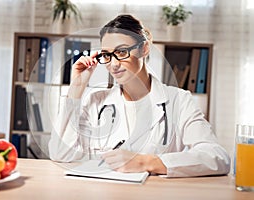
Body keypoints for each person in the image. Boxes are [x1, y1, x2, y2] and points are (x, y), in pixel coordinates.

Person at [48, 14, 230, 177]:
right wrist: (76, 88)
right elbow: (60, 153)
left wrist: (147, 162)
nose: (113, 64)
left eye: (121, 52)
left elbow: (217, 157)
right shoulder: (96, 101)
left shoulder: (179, 100)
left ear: (144, 49)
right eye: (107, 55)